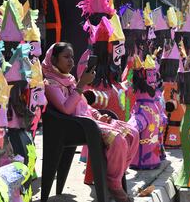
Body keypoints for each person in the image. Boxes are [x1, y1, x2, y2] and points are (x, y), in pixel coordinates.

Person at [42, 42, 139, 202]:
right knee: (118, 140)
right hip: (73, 128)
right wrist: (81, 85)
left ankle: (114, 175)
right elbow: (66, 109)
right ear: (53, 59)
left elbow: (82, 105)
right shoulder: (50, 84)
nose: (71, 61)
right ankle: (114, 184)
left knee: (132, 134)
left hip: (88, 122)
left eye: (72, 57)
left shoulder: (69, 79)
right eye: (66, 57)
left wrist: (97, 114)